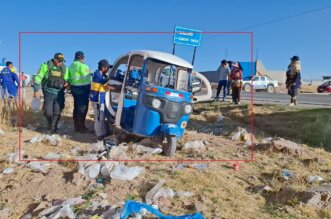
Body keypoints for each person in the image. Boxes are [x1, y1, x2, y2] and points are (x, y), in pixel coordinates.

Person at [33, 53, 68, 134]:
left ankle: (53, 128)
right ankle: (49, 123)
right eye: (59, 61)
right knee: (48, 112)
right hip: (48, 91)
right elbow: (38, 77)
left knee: (57, 111)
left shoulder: (64, 68)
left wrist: (67, 83)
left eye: (62, 61)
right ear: (55, 59)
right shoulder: (46, 66)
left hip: (59, 93)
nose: (60, 63)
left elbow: (66, 78)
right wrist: (36, 90)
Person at [90, 59, 118, 141]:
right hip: (97, 100)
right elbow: (106, 86)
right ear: (103, 68)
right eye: (107, 68)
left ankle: (103, 133)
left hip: (98, 99)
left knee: (101, 117)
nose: (108, 70)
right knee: (99, 118)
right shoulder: (98, 75)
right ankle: (99, 135)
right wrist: (117, 88)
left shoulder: (99, 74)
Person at [68, 51, 92, 133]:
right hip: (83, 89)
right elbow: (87, 78)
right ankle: (82, 127)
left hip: (74, 88)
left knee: (76, 107)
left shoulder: (71, 65)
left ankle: (76, 126)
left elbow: (69, 77)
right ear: (82, 57)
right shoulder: (83, 66)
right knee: (82, 108)